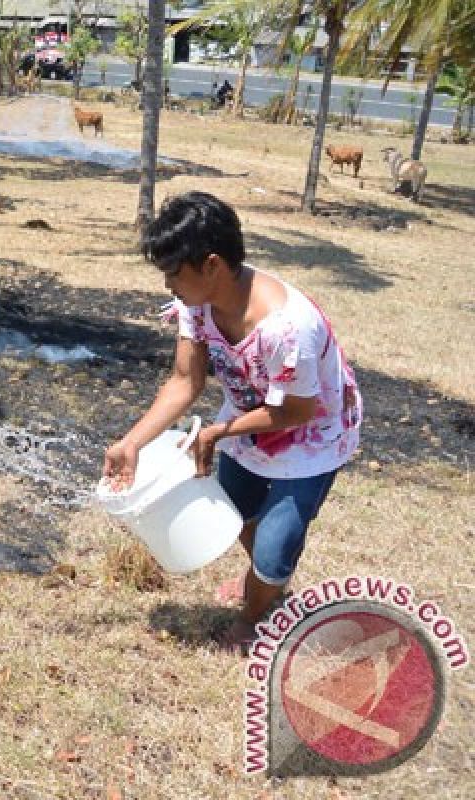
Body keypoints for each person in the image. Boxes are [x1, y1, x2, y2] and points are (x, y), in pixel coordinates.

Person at [102, 192, 362, 653]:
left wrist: (219, 431)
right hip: (248, 423)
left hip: (310, 439)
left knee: (274, 546)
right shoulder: (196, 305)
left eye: (173, 273)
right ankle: (268, 589)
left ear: (212, 265)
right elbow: (185, 380)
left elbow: (296, 412)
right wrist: (133, 443)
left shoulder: (287, 328)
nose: (167, 285)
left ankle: (254, 613)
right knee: (234, 514)